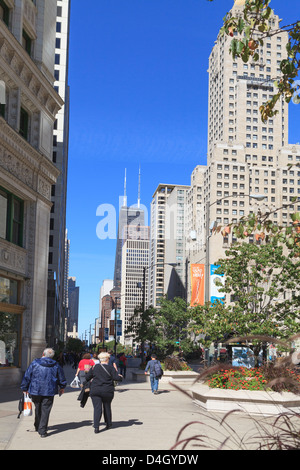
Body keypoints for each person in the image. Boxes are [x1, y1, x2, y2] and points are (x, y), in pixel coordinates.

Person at [20, 348, 67, 438]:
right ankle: (42, 430)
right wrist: (62, 387)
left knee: (38, 408)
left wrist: (24, 387)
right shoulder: (56, 365)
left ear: (43, 354)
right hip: (49, 390)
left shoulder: (35, 363)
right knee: (45, 410)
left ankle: (38, 425)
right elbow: (61, 377)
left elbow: (27, 375)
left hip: (35, 389)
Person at [85, 352, 123, 433]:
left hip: (95, 390)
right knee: (107, 406)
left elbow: (87, 377)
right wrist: (120, 377)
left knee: (97, 408)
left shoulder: (94, 367)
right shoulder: (110, 368)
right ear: (107, 359)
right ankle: (108, 424)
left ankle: (96, 427)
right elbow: (116, 378)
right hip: (107, 390)